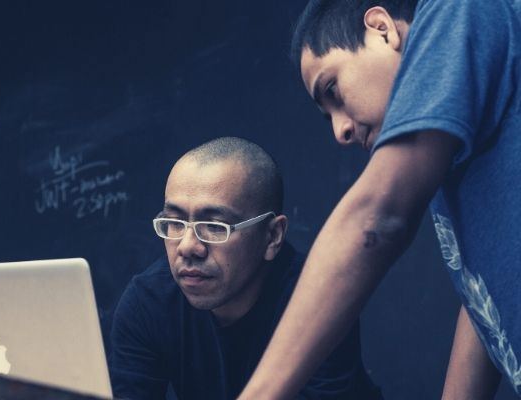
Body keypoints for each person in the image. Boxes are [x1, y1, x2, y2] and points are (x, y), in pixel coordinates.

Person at [238, 0, 521, 399]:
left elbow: (377, 219)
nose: (340, 131)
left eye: (332, 89)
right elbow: (480, 297)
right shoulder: (450, 160)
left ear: (381, 27)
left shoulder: (457, 10)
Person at [109, 137, 382, 399]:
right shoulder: (148, 303)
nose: (187, 246)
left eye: (215, 227)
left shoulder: (319, 301)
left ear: (272, 236)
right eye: (175, 223)